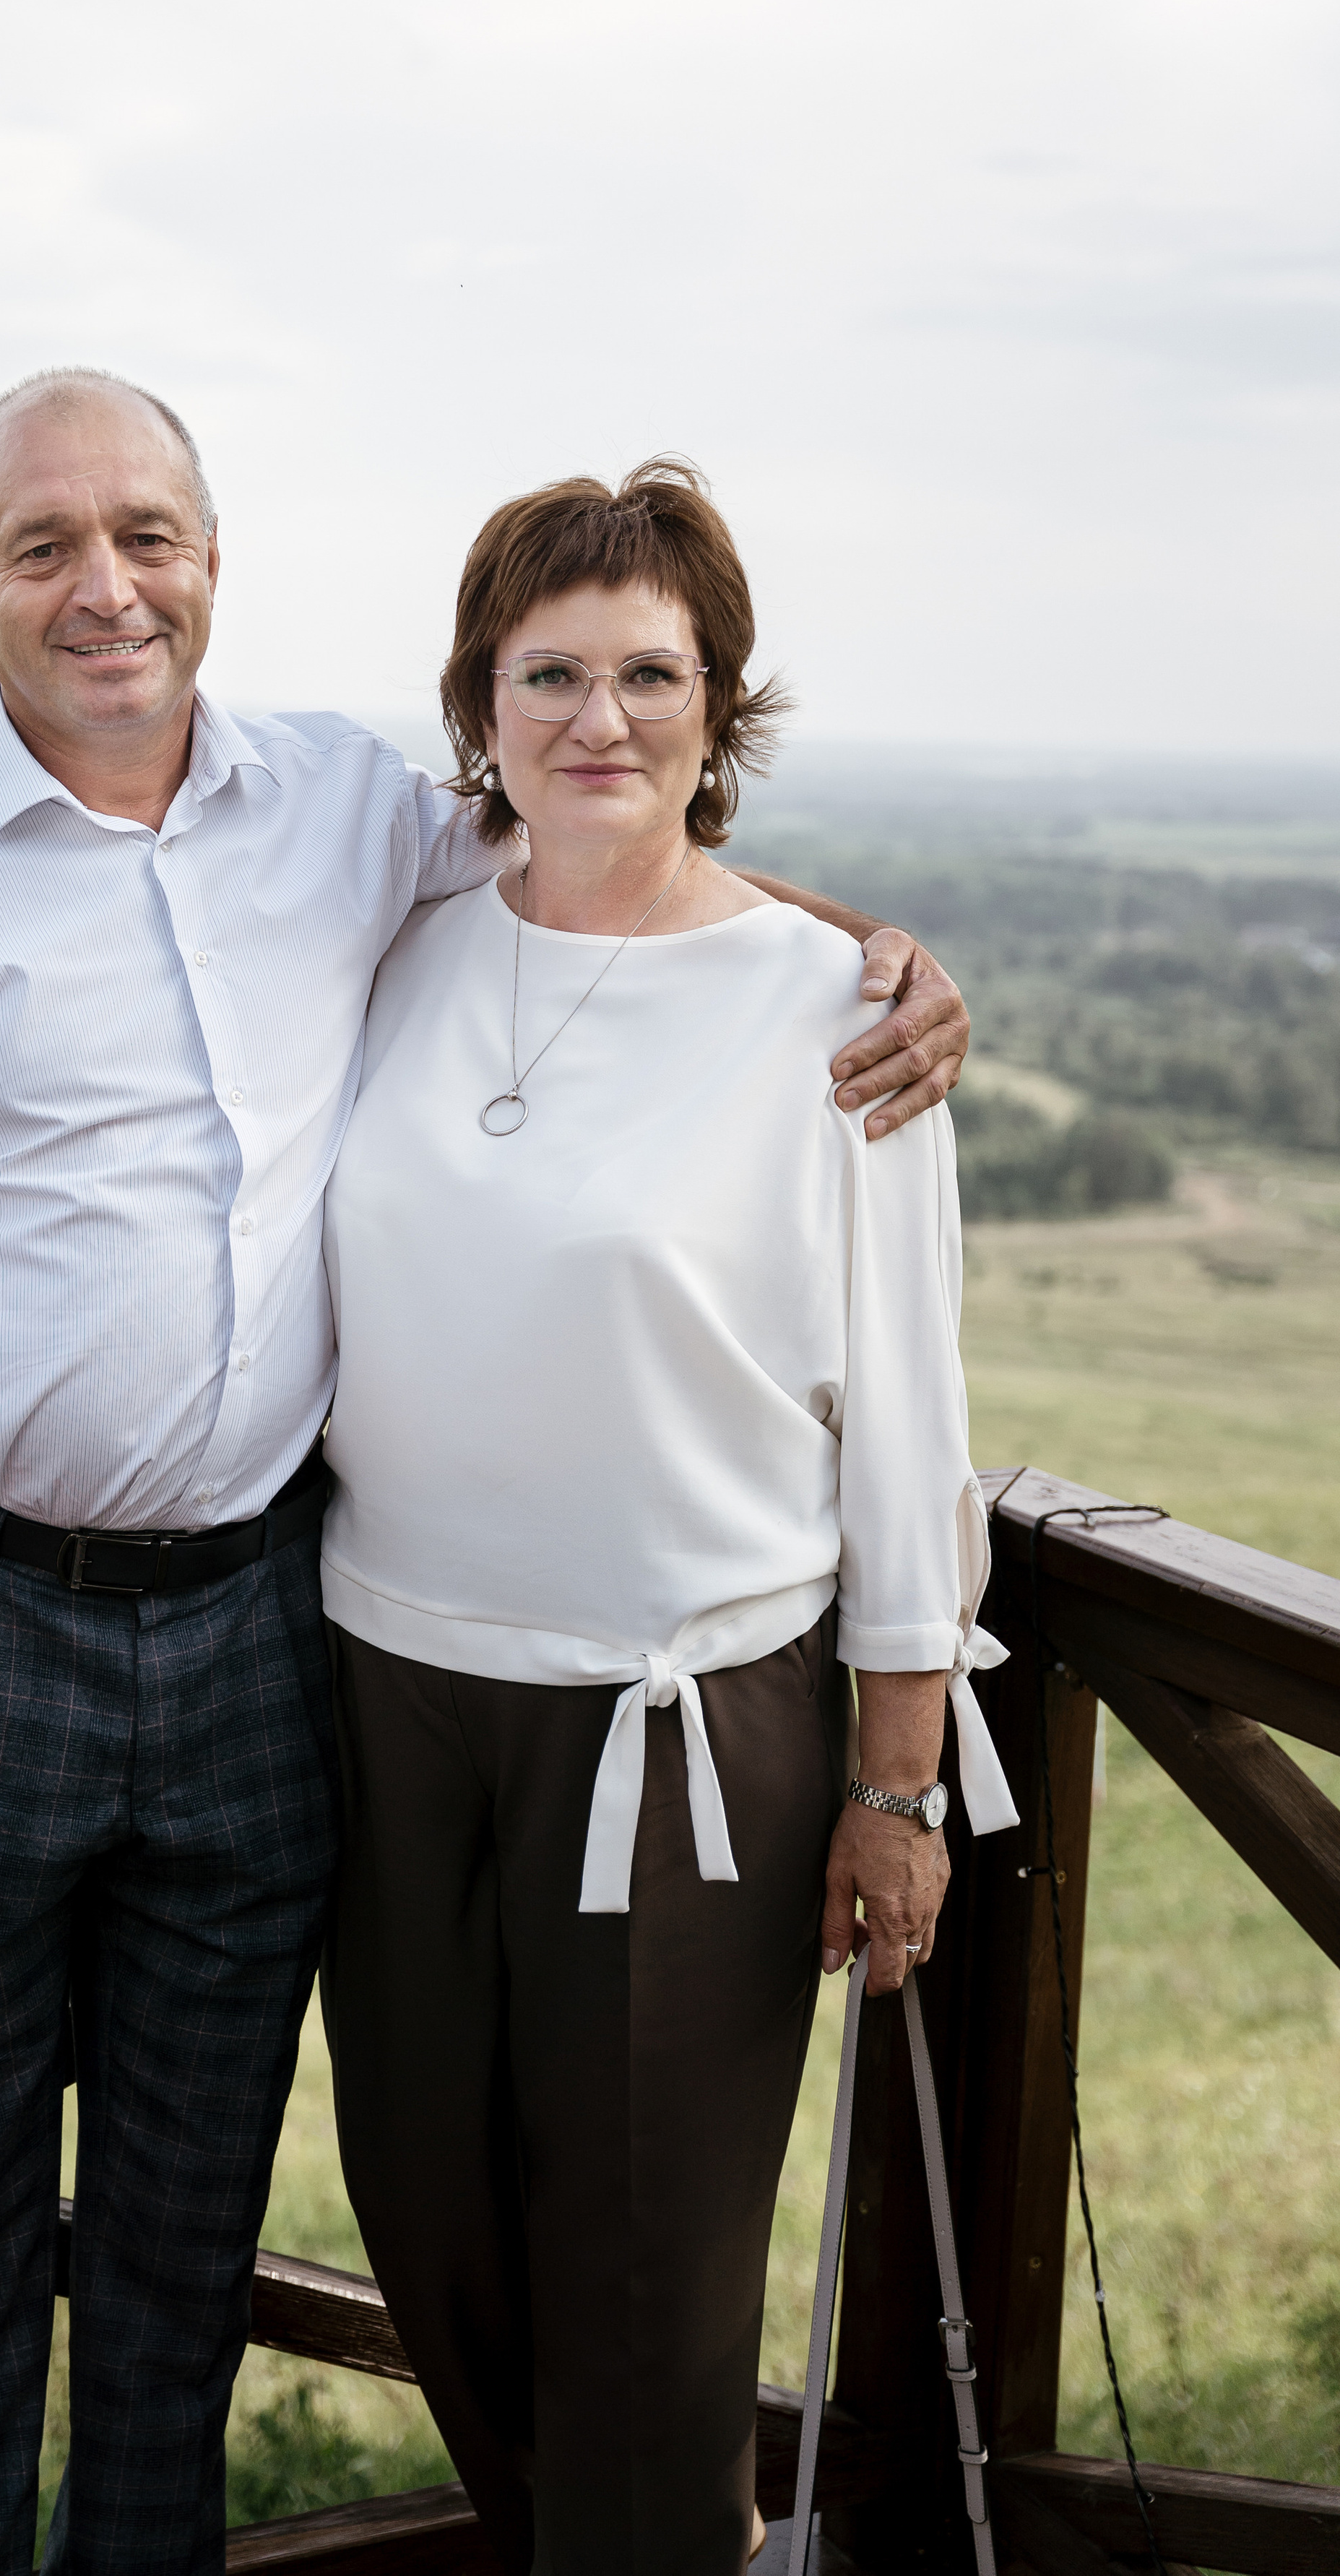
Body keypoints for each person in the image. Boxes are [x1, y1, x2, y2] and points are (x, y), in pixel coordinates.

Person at [0, 374, 972, 2576]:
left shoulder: (341, 812)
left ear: (212, 558)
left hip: (259, 1643)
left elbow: (630, 846)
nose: (108, 586)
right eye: (49, 541)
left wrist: (887, 963)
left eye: (149, 533)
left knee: (181, 2272)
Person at [317, 459, 1018, 2576]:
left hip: (682, 1729)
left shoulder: (841, 1019)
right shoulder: (402, 945)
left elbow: (909, 1410)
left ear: (723, 712)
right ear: (482, 703)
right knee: (438, 2244)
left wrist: (899, 1784)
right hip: (386, 1696)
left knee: (643, 2303)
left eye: (652, 672)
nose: (597, 717)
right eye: (552, 672)